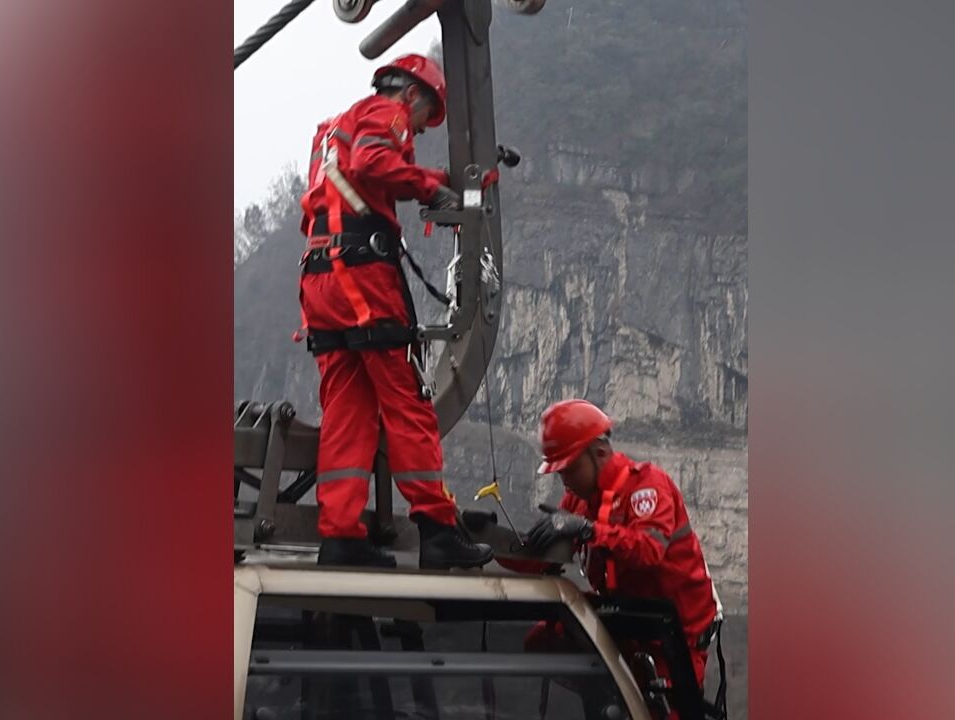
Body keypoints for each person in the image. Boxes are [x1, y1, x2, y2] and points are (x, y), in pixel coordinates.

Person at [297, 54, 491, 571]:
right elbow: (374, 164)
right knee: (407, 401)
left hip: (320, 277)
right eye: (425, 119)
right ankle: (437, 528)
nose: (418, 131)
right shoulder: (388, 115)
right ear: (412, 95)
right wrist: (431, 187)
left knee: (348, 408)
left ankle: (340, 538)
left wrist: (440, 177)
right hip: (362, 275)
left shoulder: (335, 128)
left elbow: (361, 172)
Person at [509, 399, 723, 690]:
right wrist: (491, 542)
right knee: (542, 641)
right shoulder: (578, 500)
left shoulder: (647, 486)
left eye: (569, 468)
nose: (564, 480)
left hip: (673, 640)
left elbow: (649, 551)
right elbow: (543, 558)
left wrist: (588, 530)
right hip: (627, 624)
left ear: (598, 453)